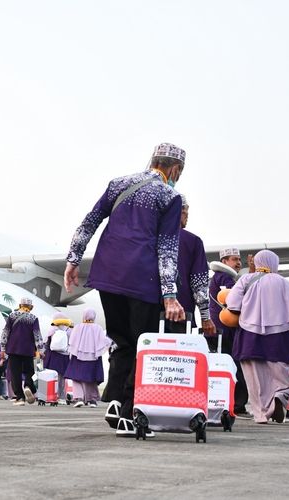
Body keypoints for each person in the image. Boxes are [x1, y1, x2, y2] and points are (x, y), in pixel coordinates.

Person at [64, 142, 186, 436]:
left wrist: (73, 259)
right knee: (142, 344)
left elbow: (88, 223)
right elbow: (167, 248)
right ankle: (131, 416)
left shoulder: (118, 183)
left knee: (121, 342)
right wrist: (170, 294)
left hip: (107, 274)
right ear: (174, 169)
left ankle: (116, 403)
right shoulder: (170, 196)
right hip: (142, 280)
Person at [226, 250, 289, 424]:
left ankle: (261, 414)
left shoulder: (246, 279)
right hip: (279, 334)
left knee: (254, 378)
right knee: (284, 374)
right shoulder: (282, 281)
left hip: (249, 334)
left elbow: (232, 304)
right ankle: (280, 396)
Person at [208, 247, 250, 414]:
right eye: (234, 259)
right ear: (224, 261)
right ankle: (237, 403)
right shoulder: (225, 277)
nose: (239, 263)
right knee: (235, 365)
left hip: (218, 329)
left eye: (239, 259)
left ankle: (225, 400)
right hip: (226, 329)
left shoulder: (216, 277)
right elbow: (232, 300)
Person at [173, 195, 215, 335]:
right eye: (186, 212)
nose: (187, 216)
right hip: (181, 313)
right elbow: (199, 283)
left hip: (147, 312)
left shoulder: (150, 237)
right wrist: (205, 317)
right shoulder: (193, 241)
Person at [0, 297, 44, 406]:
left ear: (20, 305)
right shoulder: (33, 318)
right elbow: (37, 335)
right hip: (28, 349)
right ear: (31, 307)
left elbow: (5, 332)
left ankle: (20, 398)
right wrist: (40, 349)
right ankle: (28, 386)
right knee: (29, 371)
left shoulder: (12, 316)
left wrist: (3, 348)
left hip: (13, 348)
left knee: (15, 373)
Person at [65, 309, 111, 408]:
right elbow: (104, 341)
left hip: (77, 356)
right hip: (94, 357)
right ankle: (92, 400)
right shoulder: (98, 328)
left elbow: (72, 341)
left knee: (76, 377)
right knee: (91, 378)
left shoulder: (78, 327)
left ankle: (79, 398)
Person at [43, 312, 73, 404]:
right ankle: (61, 397)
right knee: (62, 378)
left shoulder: (52, 329)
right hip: (64, 357)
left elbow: (46, 343)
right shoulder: (68, 330)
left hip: (52, 356)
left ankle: (49, 396)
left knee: (51, 377)